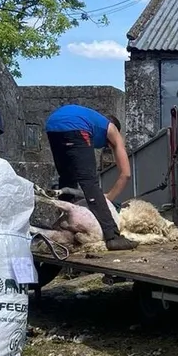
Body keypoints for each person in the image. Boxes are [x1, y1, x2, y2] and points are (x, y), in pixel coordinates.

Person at [44, 104, 137, 252]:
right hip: (76, 127)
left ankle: (64, 227)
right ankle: (113, 237)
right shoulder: (112, 130)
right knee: (89, 182)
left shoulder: (94, 121)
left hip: (52, 125)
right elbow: (126, 174)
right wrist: (108, 198)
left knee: (67, 178)